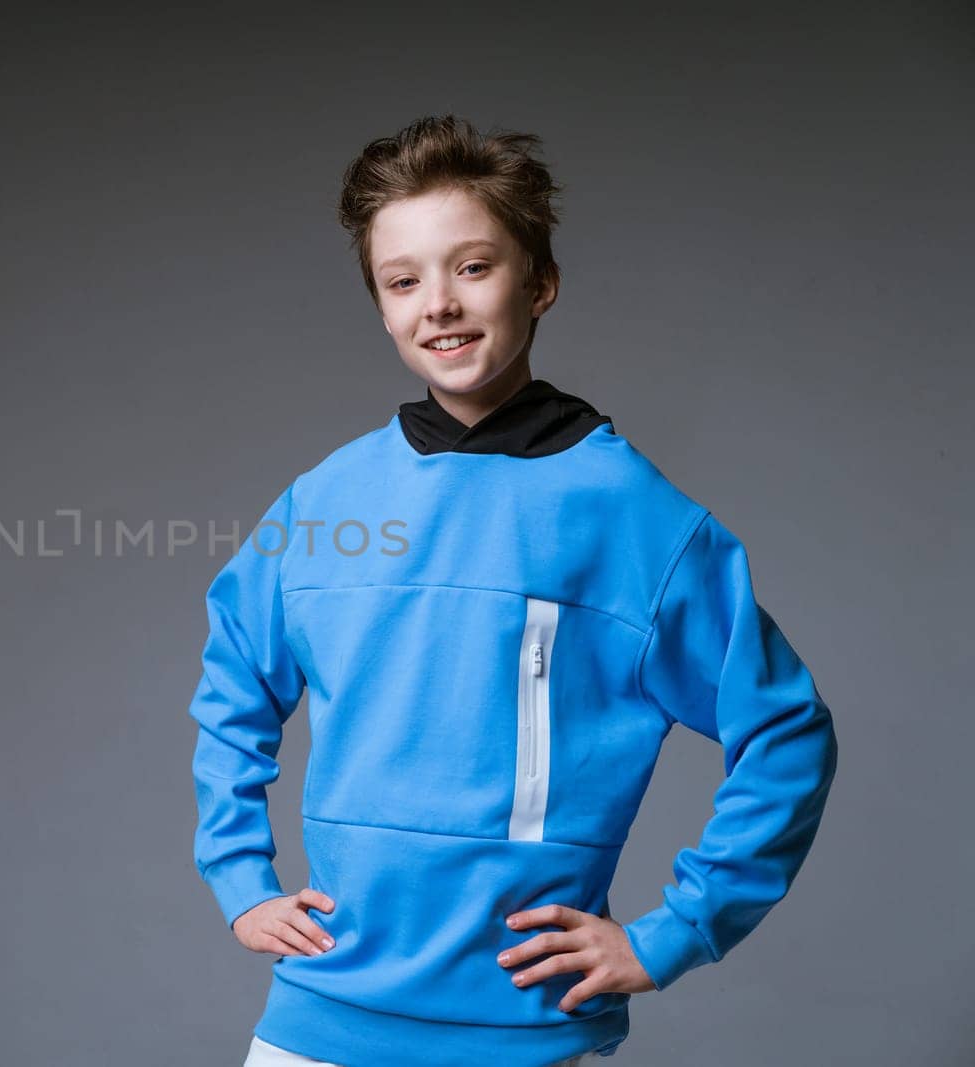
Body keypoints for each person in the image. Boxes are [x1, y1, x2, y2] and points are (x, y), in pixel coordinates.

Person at [186, 114, 839, 1067]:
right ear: (380, 305)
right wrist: (241, 876)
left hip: (520, 1031)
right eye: (404, 279)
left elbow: (785, 732)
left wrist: (675, 931)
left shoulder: (632, 516)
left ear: (542, 282)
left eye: (474, 268)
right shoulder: (327, 500)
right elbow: (234, 679)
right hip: (317, 1021)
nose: (438, 304)